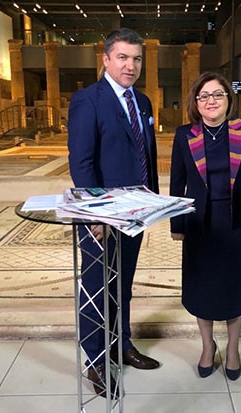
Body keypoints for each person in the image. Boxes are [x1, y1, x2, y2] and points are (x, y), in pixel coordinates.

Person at [68, 28, 160, 398]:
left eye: (136, 58)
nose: (130, 65)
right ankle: (95, 359)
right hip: (100, 218)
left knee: (123, 284)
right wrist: (96, 215)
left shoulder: (144, 102)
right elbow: (82, 162)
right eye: (122, 57)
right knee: (96, 287)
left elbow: (147, 156)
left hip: (135, 212)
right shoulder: (87, 100)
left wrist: (152, 203)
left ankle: (122, 344)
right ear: (106, 59)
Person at [169, 72, 241, 380]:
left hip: (237, 225)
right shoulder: (184, 135)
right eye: (204, 96)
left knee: (233, 288)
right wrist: (176, 223)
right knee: (202, 289)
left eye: (217, 94)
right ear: (195, 102)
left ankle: (233, 348)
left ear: (228, 99)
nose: (210, 100)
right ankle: (207, 346)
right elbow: (177, 183)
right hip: (198, 225)